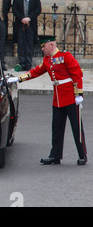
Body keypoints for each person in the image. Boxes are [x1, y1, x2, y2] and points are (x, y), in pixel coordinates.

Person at [16, 36, 87, 165]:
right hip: (58, 98)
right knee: (57, 128)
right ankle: (55, 155)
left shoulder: (65, 56)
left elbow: (76, 74)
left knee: (76, 127)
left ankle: (82, 155)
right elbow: (36, 71)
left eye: (44, 46)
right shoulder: (47, 60)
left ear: (51, 45)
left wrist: (78, 93)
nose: (42, 49)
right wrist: (19, 79)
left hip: (70, 96)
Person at [12, 0, 41, 71]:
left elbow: (38, 10)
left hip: (31, 24)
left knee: (29, 44)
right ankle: (22, 63)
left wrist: (29, 18)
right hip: (20, 24)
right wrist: (22, 18)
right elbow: (15, 10)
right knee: (21, 44)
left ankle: (28, 64)